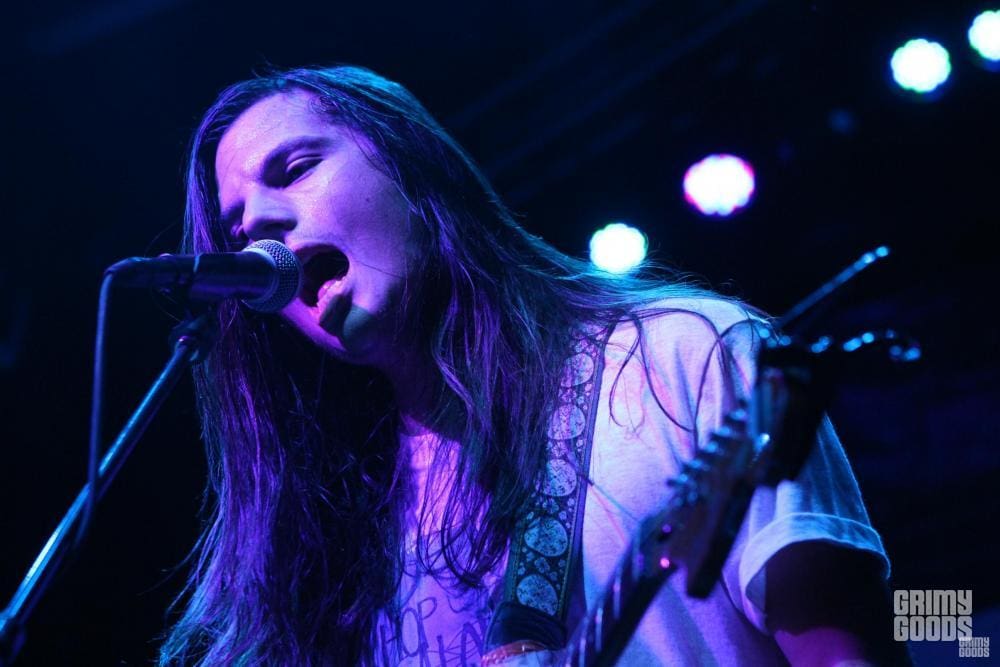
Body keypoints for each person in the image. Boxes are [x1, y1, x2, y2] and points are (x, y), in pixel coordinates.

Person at [159, 65, 905, 666]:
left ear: (415, 172)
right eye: (238, 229)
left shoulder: (676, 353)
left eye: (294, 169)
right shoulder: (317, 535)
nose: (259, 225)